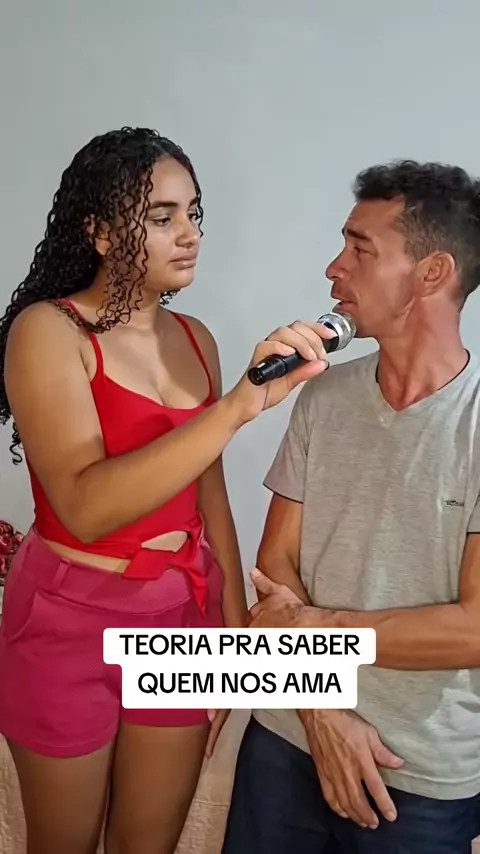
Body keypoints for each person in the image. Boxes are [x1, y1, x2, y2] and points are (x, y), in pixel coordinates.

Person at [0, 126, 333, 854]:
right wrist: (235, 408)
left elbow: (209, 500)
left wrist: (233, 642)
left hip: (179, 616)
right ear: (98, 231)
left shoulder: (198, 339)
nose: (190, 234)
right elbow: (85, 509)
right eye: (162, 217)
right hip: (65, 621)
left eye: (194, 213)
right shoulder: (48, 332)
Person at [221, 160, 480, 854]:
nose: (334, 268)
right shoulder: (324, 395)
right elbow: (274, 567)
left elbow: (473, 629)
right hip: (288, 732)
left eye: (361, 249)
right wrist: (322, 711)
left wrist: (316, 628)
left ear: (431, 273)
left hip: (417, 772)